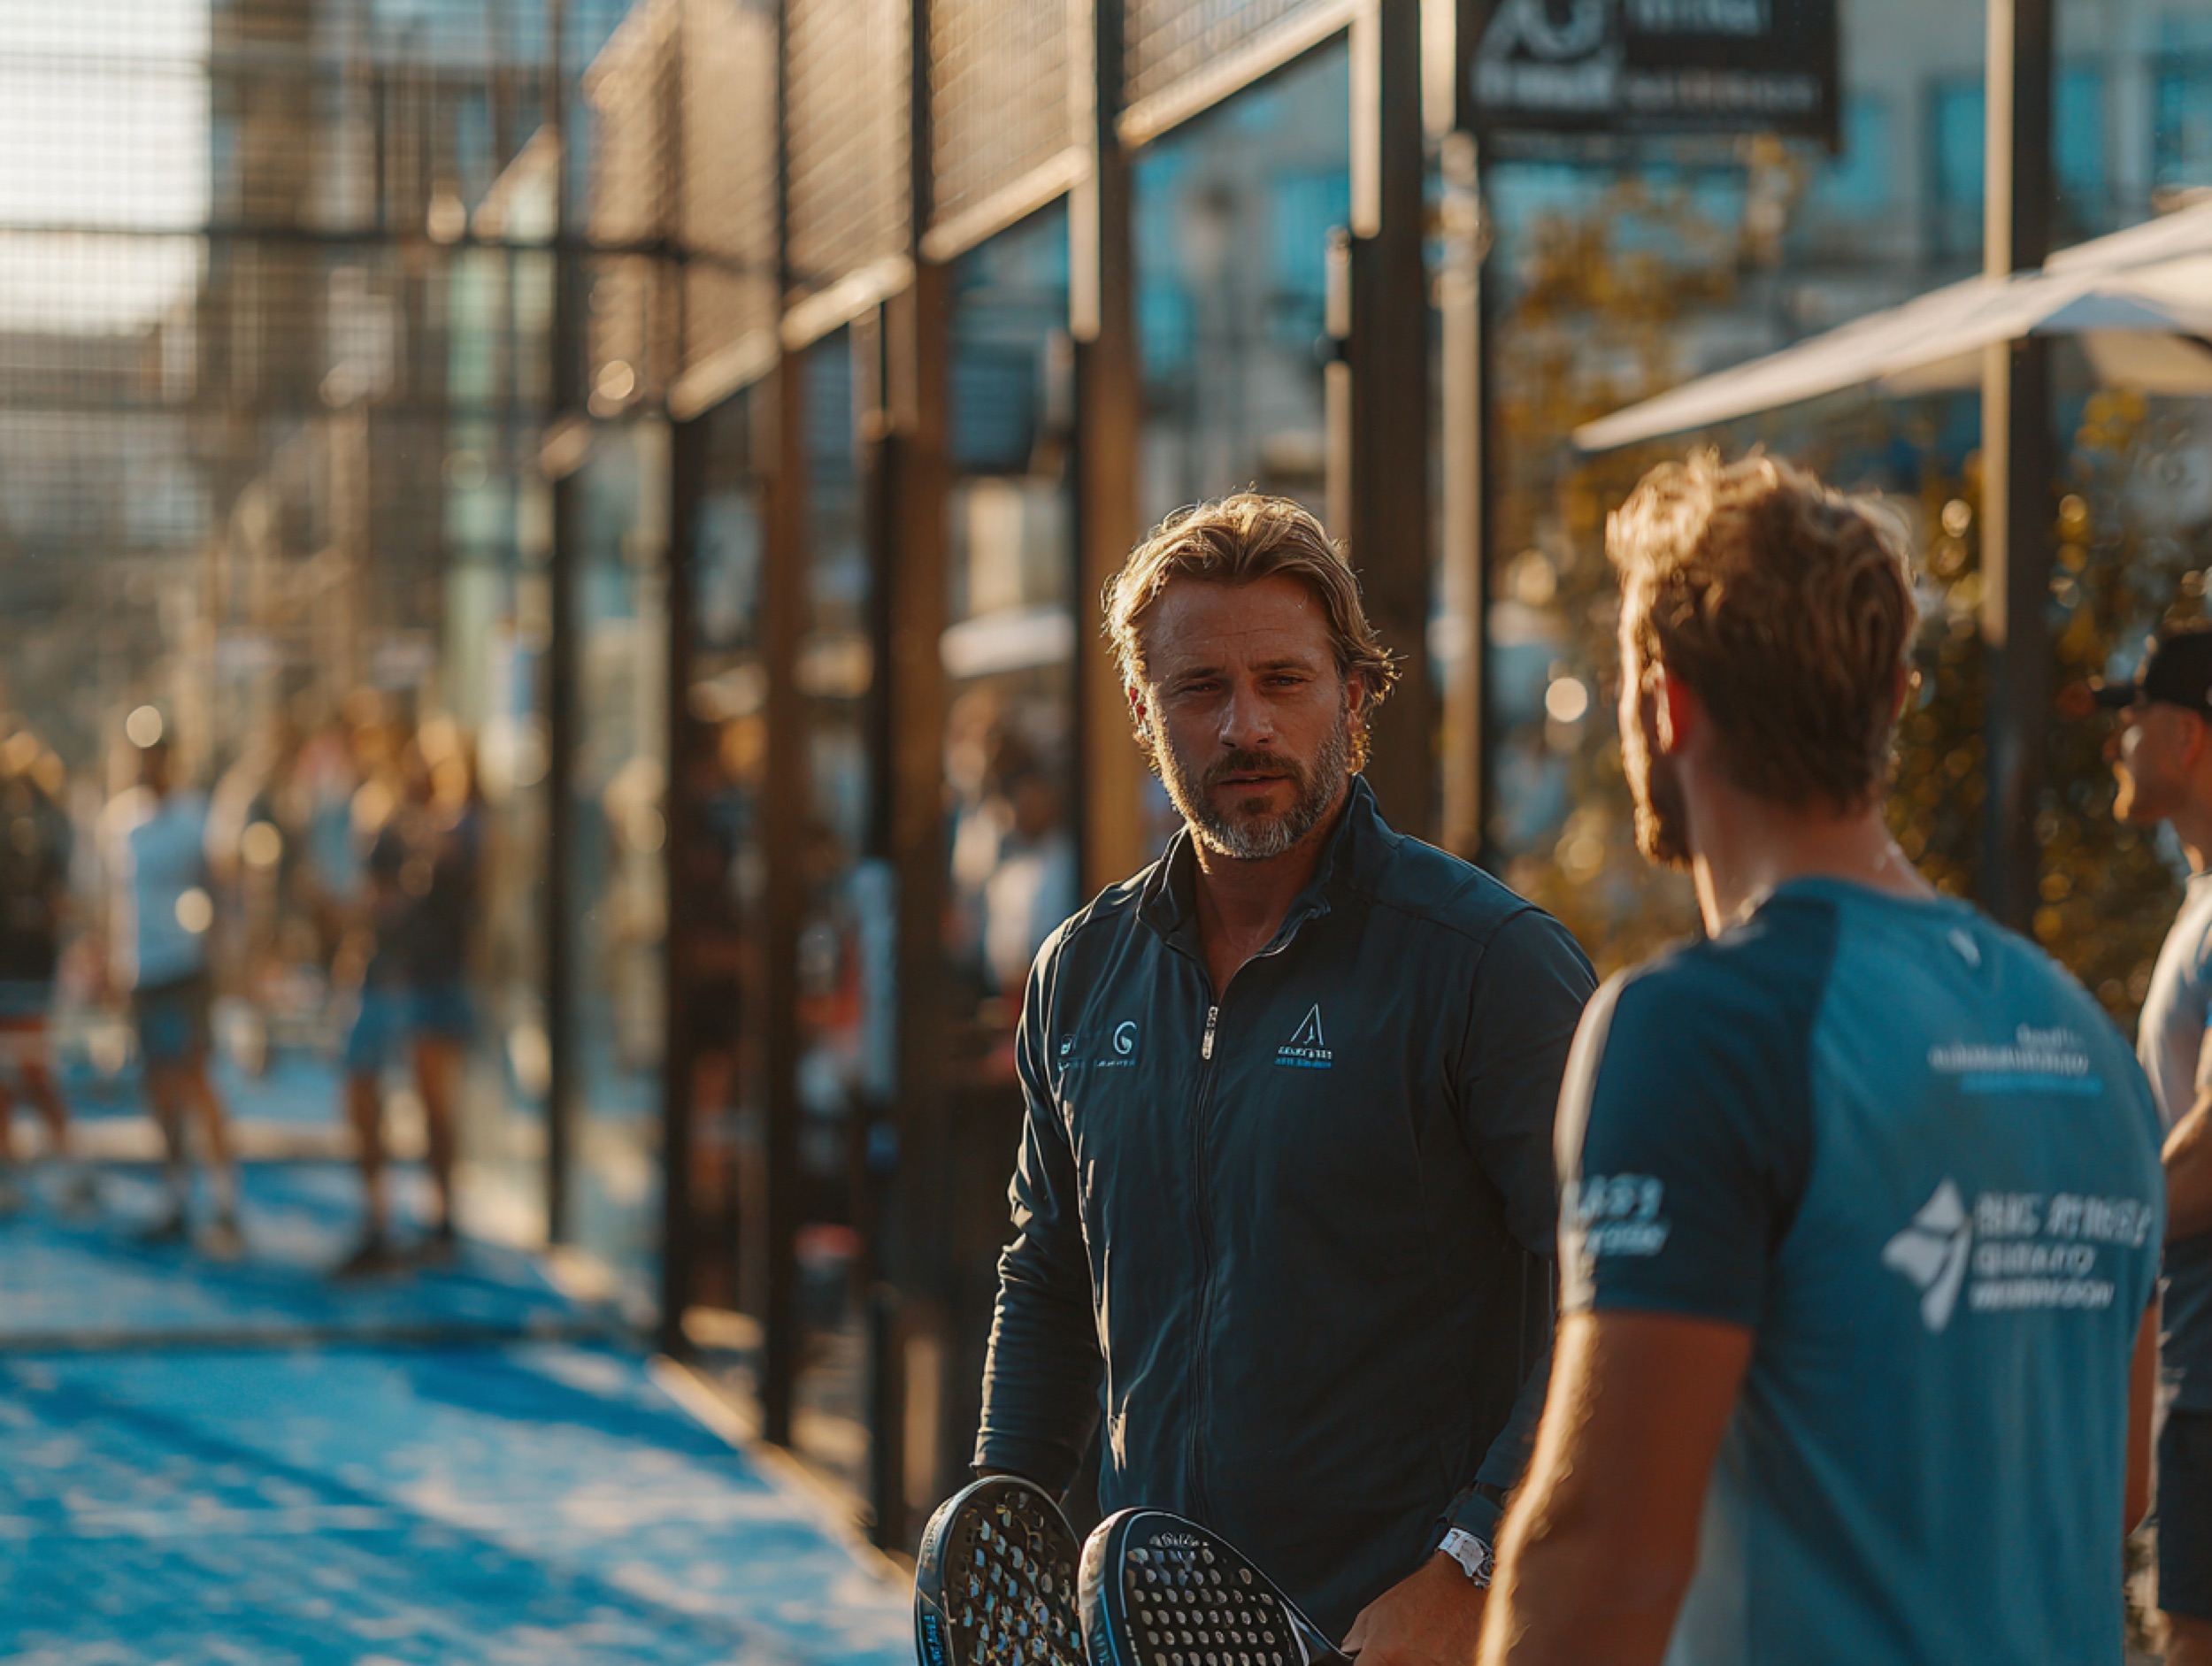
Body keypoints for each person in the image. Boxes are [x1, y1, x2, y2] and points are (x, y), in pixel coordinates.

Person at [1480, 452, 2164, 1664]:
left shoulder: (1697, 1028)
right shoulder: (2082, 1035)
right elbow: (2106, 1490)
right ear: (1894, 699)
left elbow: (1601, 1557)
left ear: (1664, 705)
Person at [974, 494, 1596, 1652]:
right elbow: (1050, 1271)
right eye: (1200, 687)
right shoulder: (1083, 969)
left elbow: (1607, 1289)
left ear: (1354, 698)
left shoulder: (1485, 964)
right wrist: (997, 1541)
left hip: (1395, 1630)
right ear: (1141, 707)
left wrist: (1471, 1558)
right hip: (1149, 1630)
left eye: (1284, 680)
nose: (1242, 725)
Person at [2098, 625, 2212, 1665]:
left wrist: (2088, 1234)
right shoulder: (2199, 904)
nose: (2115, 743)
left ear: (2185, 735)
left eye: (2129, 720)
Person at [335, 731, 476, 1276]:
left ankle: (440, 1219)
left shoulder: (458, 830)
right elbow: (372, 900)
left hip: (427, 980)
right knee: (365, 1092)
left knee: (431, 1102)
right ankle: (382, 1221)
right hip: (388, 976)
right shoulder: (388, 824)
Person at [105, 723, 242, 1257]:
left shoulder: (194, 819)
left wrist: (221, 959)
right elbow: (117, 902)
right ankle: (175, 1196)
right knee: (159, 1086)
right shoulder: (120, 823)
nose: (149, 764)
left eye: (157, 754)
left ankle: (225, 1198)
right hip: (141, 972)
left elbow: (221, 890)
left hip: (187, 970)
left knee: (194, 1077)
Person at [0, 733, 91, 1215]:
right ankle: (8, 1166)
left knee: (33, 1069)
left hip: (31, 965)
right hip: (12, 962)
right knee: (6, 1074)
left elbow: (62, 898)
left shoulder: (52, 825)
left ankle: (70, 1164)